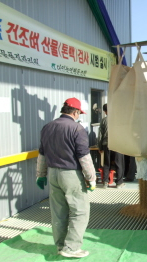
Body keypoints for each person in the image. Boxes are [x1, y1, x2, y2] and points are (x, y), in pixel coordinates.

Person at [36, 97, 96, 258]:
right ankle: (71, 248)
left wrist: (40, 175)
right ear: (76, 112)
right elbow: (84, 156)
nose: (79, 116)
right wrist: (91, 178)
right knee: (80, 211)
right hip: (70, 175)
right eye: (79, 113)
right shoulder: (77, 129)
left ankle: (60, 245)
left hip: (53, 174)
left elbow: (42, 153)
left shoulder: (47, 127)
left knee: (58, 211)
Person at [98, 104, 125, 188]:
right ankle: (119, 183)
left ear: (105, 111)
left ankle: (105, 182)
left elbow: (100, 135)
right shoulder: (120, 120)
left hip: (107, 144)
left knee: (106, 163)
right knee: (119, 163)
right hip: (118, 144)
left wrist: (100, 147)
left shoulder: (103, 120)